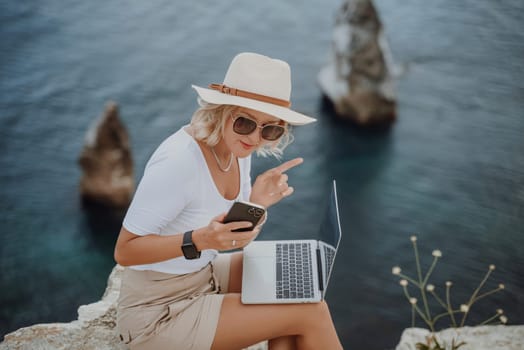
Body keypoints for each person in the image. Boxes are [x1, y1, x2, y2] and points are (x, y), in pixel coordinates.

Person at [114, 52, 343, 350]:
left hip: (202, 277)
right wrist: (199, 239)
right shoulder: (179, 162)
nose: (255, 138)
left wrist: (256, 204)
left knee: (294, 288)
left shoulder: (236, 150)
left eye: (270, 129)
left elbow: (232, 240)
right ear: (221, 111)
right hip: (157, 313)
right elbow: (124, 251)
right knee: (311, 311)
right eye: (246, 123)